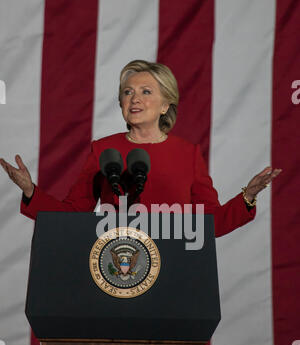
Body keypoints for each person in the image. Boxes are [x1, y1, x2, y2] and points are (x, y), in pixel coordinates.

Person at [0, 60, 281, 237]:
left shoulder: (188, 154)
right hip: (116, 266)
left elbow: (210, 223)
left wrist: (248, 195)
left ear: (165, 106)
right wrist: (30, 192)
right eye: (127, 92)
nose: (134, 98)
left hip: (175, 268)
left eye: (146, 91)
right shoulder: (103, 149)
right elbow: (74, 215)